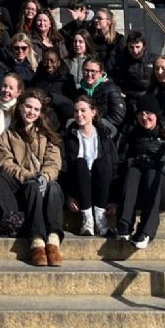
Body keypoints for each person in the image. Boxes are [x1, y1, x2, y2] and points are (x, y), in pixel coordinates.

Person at [0, 90, 65, 265]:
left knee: (54, 187)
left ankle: (54, 240)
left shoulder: (47, 135)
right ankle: (37, 241)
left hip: (44, 185)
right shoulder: (7, 136)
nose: (31, 112)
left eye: (36, 109)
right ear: (20, 107)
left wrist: (45, 176)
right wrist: (29, 177)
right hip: (23, 187)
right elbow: (6, 163)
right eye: (28, 107)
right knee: (32, 186)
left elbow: (54, 162)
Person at [117, 94, 165, 249]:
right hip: (139, 192)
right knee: (133, 170)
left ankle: (146, 231)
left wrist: (160, 166)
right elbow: (118, 165)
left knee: (152, 171)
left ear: (156, 115)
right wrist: (132, 161)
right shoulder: (131, 136)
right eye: (141, 114)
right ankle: (124, 225)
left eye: (149, 113)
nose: (145, 118)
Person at [63, 95, 116, 236]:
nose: (79, 115)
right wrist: (68, 196)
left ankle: (100, 218)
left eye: (83, 110)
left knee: (101, 163)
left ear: (93, 112)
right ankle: (87, 220)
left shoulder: (104, 135)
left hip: (102, 188)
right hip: (79, 187)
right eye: (76, 111)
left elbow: (115, 166)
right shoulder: (69, 137)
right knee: (80, 162)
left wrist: (113, 200)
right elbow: (64, 168)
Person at [75, 56, 127, 138]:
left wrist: (99, 124)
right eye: (86, 70)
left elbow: (118, 115)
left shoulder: (110, 89)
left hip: (106, 131)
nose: (89, 74)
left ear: (100, 73)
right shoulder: (79, 92)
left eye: (93, 71)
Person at [30, 48, 75, 125]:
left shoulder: (67, 80)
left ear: (58, 63)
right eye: (45, 61)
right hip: (39, 118)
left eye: (52, 61)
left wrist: (54, 98)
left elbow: (71, 103)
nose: (48, 64)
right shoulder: (36, 79)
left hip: (61, 120)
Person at [0, 32, 37, 97]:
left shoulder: (32, 67)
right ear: (11, 48)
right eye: (17, 48)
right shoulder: (0, 67)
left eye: (24, 48)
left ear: (28, 49)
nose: (20, 51)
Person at [112, 29, 153, 100]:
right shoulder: (121, 61)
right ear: (127, 46)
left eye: (137, 47)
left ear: (143, 46)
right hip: (129, 99)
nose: (135, 51)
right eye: (131, 47)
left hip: (148, 98)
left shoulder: (153, 60)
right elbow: (114, 80)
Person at [0, 72, 24, 140]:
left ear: (18, 93)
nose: (6, 90)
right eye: (4, 86)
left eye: (11, 88)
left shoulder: (21, 112)